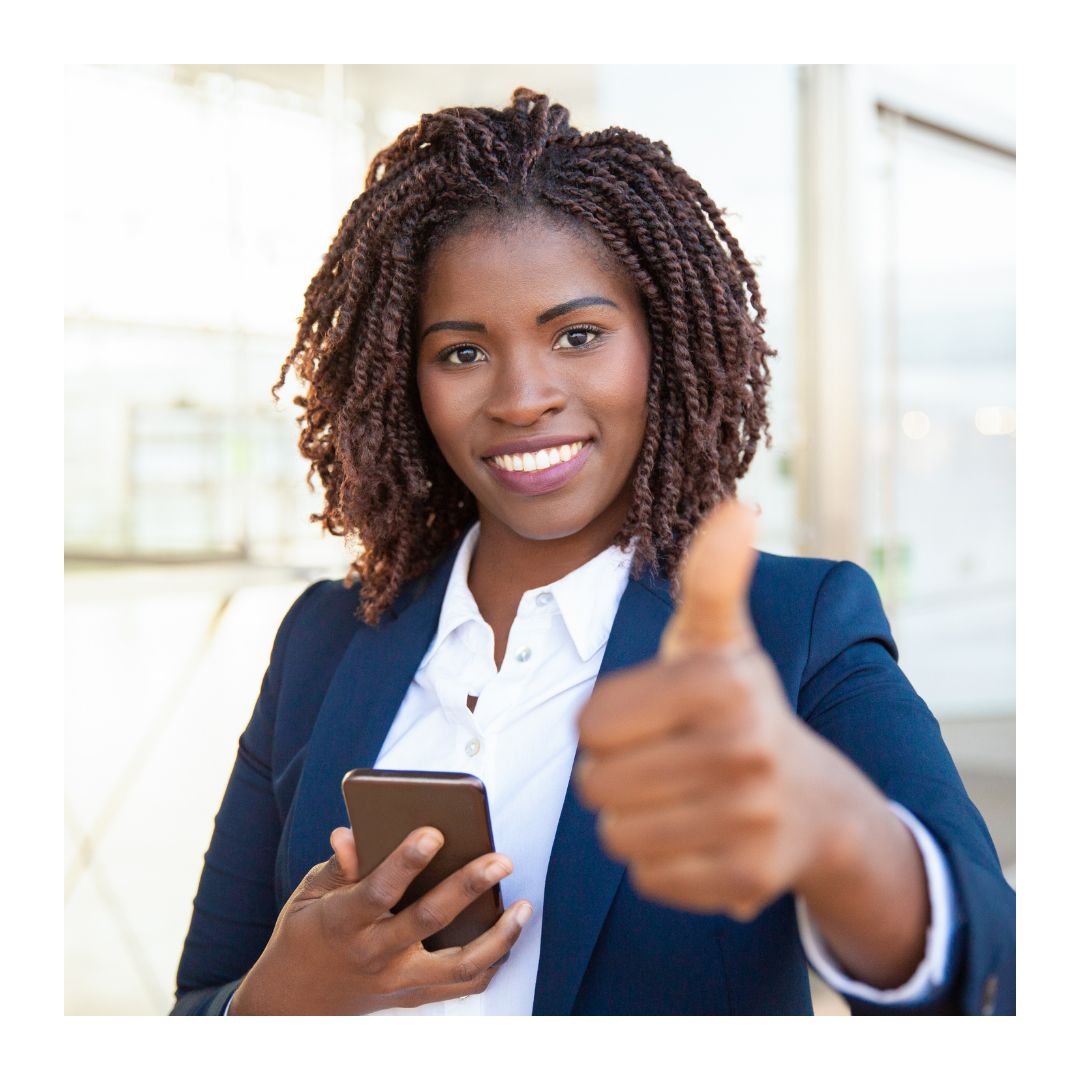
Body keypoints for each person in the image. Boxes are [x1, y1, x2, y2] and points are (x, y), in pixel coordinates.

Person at [171, 88, 1015, 1016]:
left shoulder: (796, 628)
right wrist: (277, 999)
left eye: (578, 335)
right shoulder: (325, 639)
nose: (523, 396)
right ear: (405, 379)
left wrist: (841, 837)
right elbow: (200, 1004)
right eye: (460, 352)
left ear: (662, 345)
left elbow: (1005, 988)